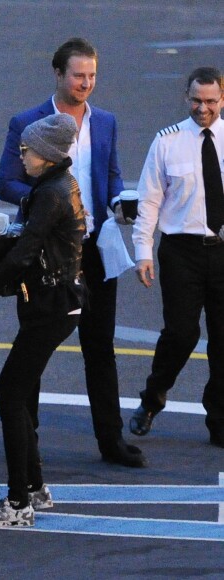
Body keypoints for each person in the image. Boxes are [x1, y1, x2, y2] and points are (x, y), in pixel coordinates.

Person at [0, 37, 146, 467]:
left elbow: (111, 176)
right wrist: (50, 206)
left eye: (92, 75)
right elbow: (6, 183)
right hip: (47, 254)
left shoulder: (107, 122)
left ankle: (111, 441)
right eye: (78, 75)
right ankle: (29, 438)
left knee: (100, 347)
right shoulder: (28, 122)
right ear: (58, 74)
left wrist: (119, 201)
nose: (86, 83)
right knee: (35, 347)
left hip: (95, 250)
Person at [0, 113, 86, 526]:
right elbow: (25, 234)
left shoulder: (51, 192)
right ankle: (34, 488)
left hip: (50, 309)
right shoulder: (52, 186)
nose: (21, 155)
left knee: (9, 393)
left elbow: (26, 249)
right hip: (54, 305)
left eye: (26, 150)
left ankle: (18, 504)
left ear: (47, 155)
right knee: (19, 393)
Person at [130, 67, 224, 447]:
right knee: (182, 333)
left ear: (223, 99)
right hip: (181, 252)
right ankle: (153, 397)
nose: (203, 108)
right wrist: (143, 251)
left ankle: (219, 419)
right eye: (196, 100)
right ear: (187, 98)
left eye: (211, 101)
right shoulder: (167, 142)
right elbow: (149, 200)